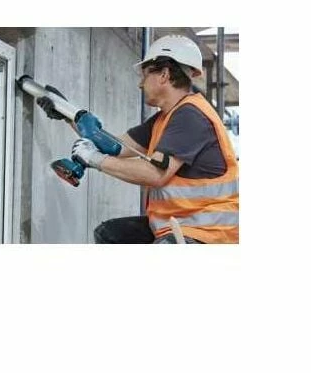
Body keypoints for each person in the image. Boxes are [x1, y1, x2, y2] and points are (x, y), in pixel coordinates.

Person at [37, 35, 239, 244]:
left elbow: (155, 174)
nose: (140, 84)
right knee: (110, 234)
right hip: (180, 223)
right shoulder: (166, 118)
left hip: (209, 232)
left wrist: (94, 159)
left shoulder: (190, 116)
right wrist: (67, 113)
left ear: (164, 75)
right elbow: (115, 146)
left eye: (145, 75)